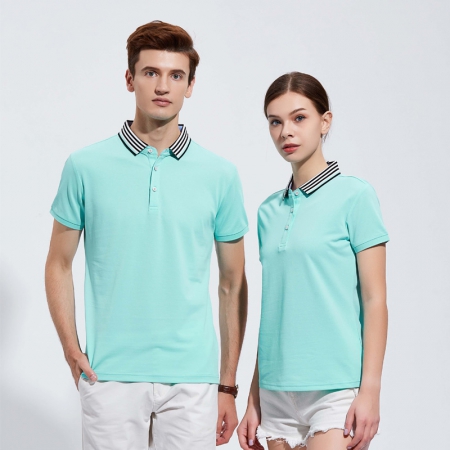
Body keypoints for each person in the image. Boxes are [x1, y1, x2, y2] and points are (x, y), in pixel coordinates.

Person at [45, 20, 248, 450]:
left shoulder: (220, 175)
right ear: (129, 78)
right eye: (151, 72)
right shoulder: (85, 166)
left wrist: (227, 384)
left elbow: (233, 283)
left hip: (193, 380)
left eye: (176, 75)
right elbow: (58, 263)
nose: (162, 86)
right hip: (109, 376)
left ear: (190, 86)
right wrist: (70, 348)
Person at [237, 72, 389, 450]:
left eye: (299, 118)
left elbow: (375, 300)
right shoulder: (268, 212)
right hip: (275, 392)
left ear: (325, 122)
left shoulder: (355, 197)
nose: (286, 131)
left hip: (334, 390)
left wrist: (370, 391)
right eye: (275, 122)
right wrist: (254, 396)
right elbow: (274, 311)